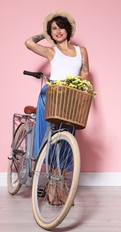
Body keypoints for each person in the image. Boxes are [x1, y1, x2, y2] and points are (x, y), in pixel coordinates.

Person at [25, 10, 90, 205]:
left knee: (66, 141)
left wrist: (82, 89)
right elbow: (29, 43)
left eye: (61, 27)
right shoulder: (51, 51)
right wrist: (43, 35)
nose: (58, 31)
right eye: (54, 29)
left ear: (68, 29)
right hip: (51, 97)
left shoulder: (81, 51)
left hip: (70, 99)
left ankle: (60, 185)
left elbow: (85, 74)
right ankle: (52, 187)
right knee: (50, 139)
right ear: (50, 33)